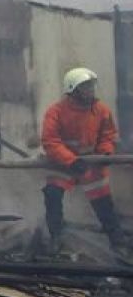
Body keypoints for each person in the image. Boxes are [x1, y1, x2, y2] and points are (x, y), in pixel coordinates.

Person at [41, 67, 126, 254]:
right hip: (63, 165)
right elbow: (51, 142)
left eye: (91, 86)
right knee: (52, 194)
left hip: (91, 165)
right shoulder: (55, 112)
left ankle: (118, 243)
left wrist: (105, 154)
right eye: (85, 87)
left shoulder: (101, 110)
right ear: (73, 89)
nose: (90, 90)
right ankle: (57, 237)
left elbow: (108, 135)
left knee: (104, 203)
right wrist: (70, 161)